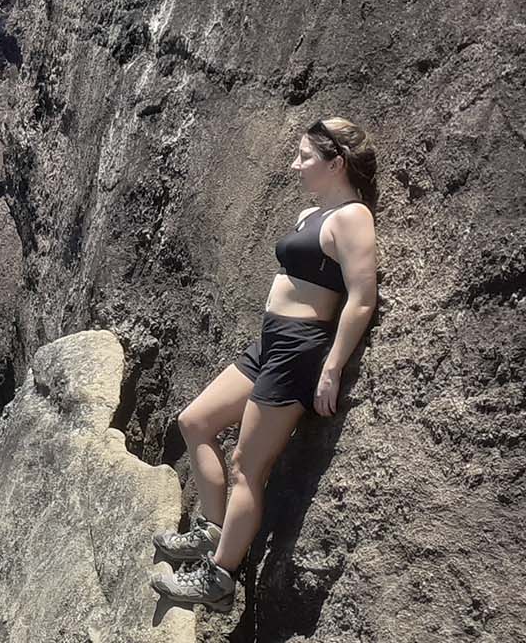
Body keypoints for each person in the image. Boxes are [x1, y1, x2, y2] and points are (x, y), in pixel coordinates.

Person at [149, 117, 380, 612]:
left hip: (300, 349)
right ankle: (212, 532)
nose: (296, 165)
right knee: (195, 422)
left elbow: (361, 298)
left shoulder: (352, 217)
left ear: (335, 163)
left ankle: (219, 579)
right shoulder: (310, 215)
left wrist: (332, 366)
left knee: (246, 467)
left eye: (305, 157)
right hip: (270, 342)